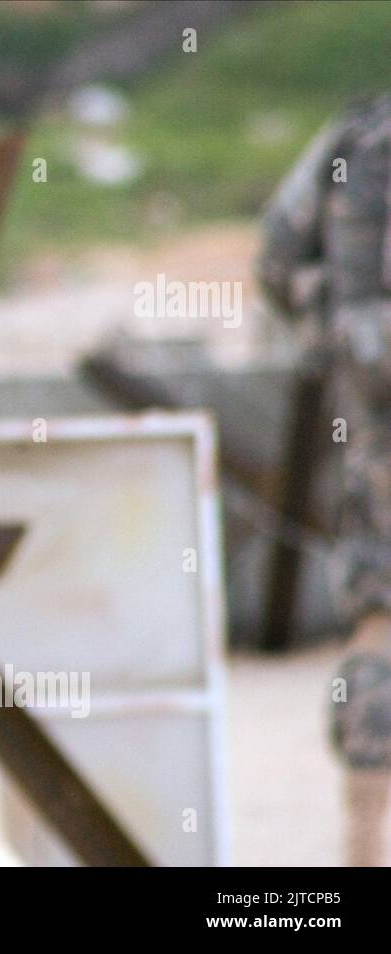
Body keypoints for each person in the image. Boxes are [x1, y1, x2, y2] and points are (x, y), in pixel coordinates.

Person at [258, 93, 391, 867]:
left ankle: (364, 846)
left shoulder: (359, 133)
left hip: (374, 406)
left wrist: (333, 329)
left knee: (381, 618)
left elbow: (277, 259)